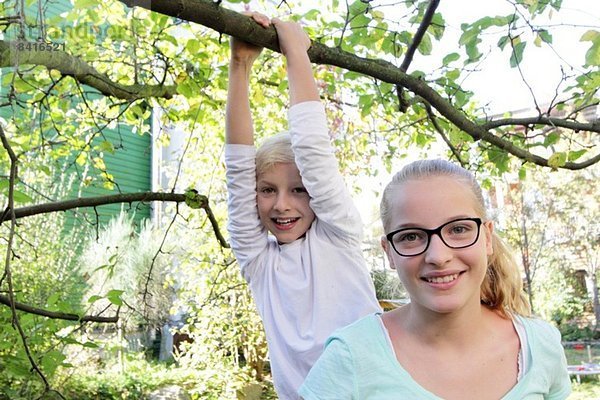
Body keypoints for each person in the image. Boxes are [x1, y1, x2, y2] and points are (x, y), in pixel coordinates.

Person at [299, 159, 572, 399]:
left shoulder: (540, 345)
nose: (438, 256)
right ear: (389, 253)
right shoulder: (350, 357)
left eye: (458, 229)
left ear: (487, 237)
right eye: (411, 236)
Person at [224, 12, 381, 399]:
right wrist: (239, 64)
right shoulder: (260, 263)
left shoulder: (338, 233)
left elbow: (313, 150)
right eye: (267, 190)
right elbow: (237, 166)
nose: (281, 205)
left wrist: (296, 51)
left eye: (299, 190)